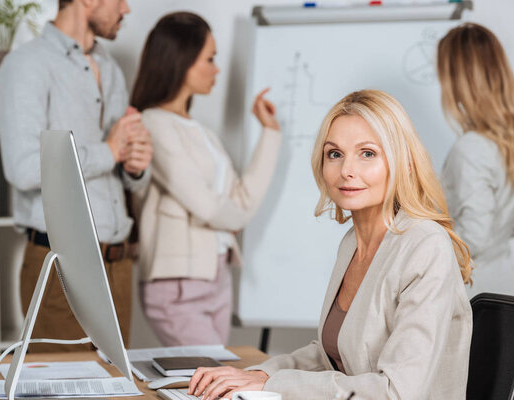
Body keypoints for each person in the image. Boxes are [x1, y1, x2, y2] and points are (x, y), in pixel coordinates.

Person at [187, 90, 473, 400]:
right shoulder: (352, 243)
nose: (346, 170)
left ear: (403, 163)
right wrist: (260, 374)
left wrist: (273, 386)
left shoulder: (425, 246)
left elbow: (397, 392)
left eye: (367, 153)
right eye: (335, 154)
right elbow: (331, 357)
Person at [0, 0, 153, 352]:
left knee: (116, 391)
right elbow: (22, 167)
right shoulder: (25, 65)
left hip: (118, 267)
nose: (126, 9)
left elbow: (121, 170)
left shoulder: (109, 68)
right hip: (60, 269)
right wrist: (108, 151)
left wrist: (136, 166)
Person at [131, 11, 282, 346]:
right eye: (209, 59)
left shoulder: (204, 135)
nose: (217, 68)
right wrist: (233, 217)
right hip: (178, 281)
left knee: (211, 387)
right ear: (181, 60)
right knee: (211, 385)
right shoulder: (153, 123)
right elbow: (207, 207)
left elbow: (241, 201)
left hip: (217, 275)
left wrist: (270, 134)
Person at [437, 23, 514, 298]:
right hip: (506, 290)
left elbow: (476, 235)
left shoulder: (470, 148)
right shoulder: (509, 142)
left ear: (457, 80)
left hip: (474, 296)